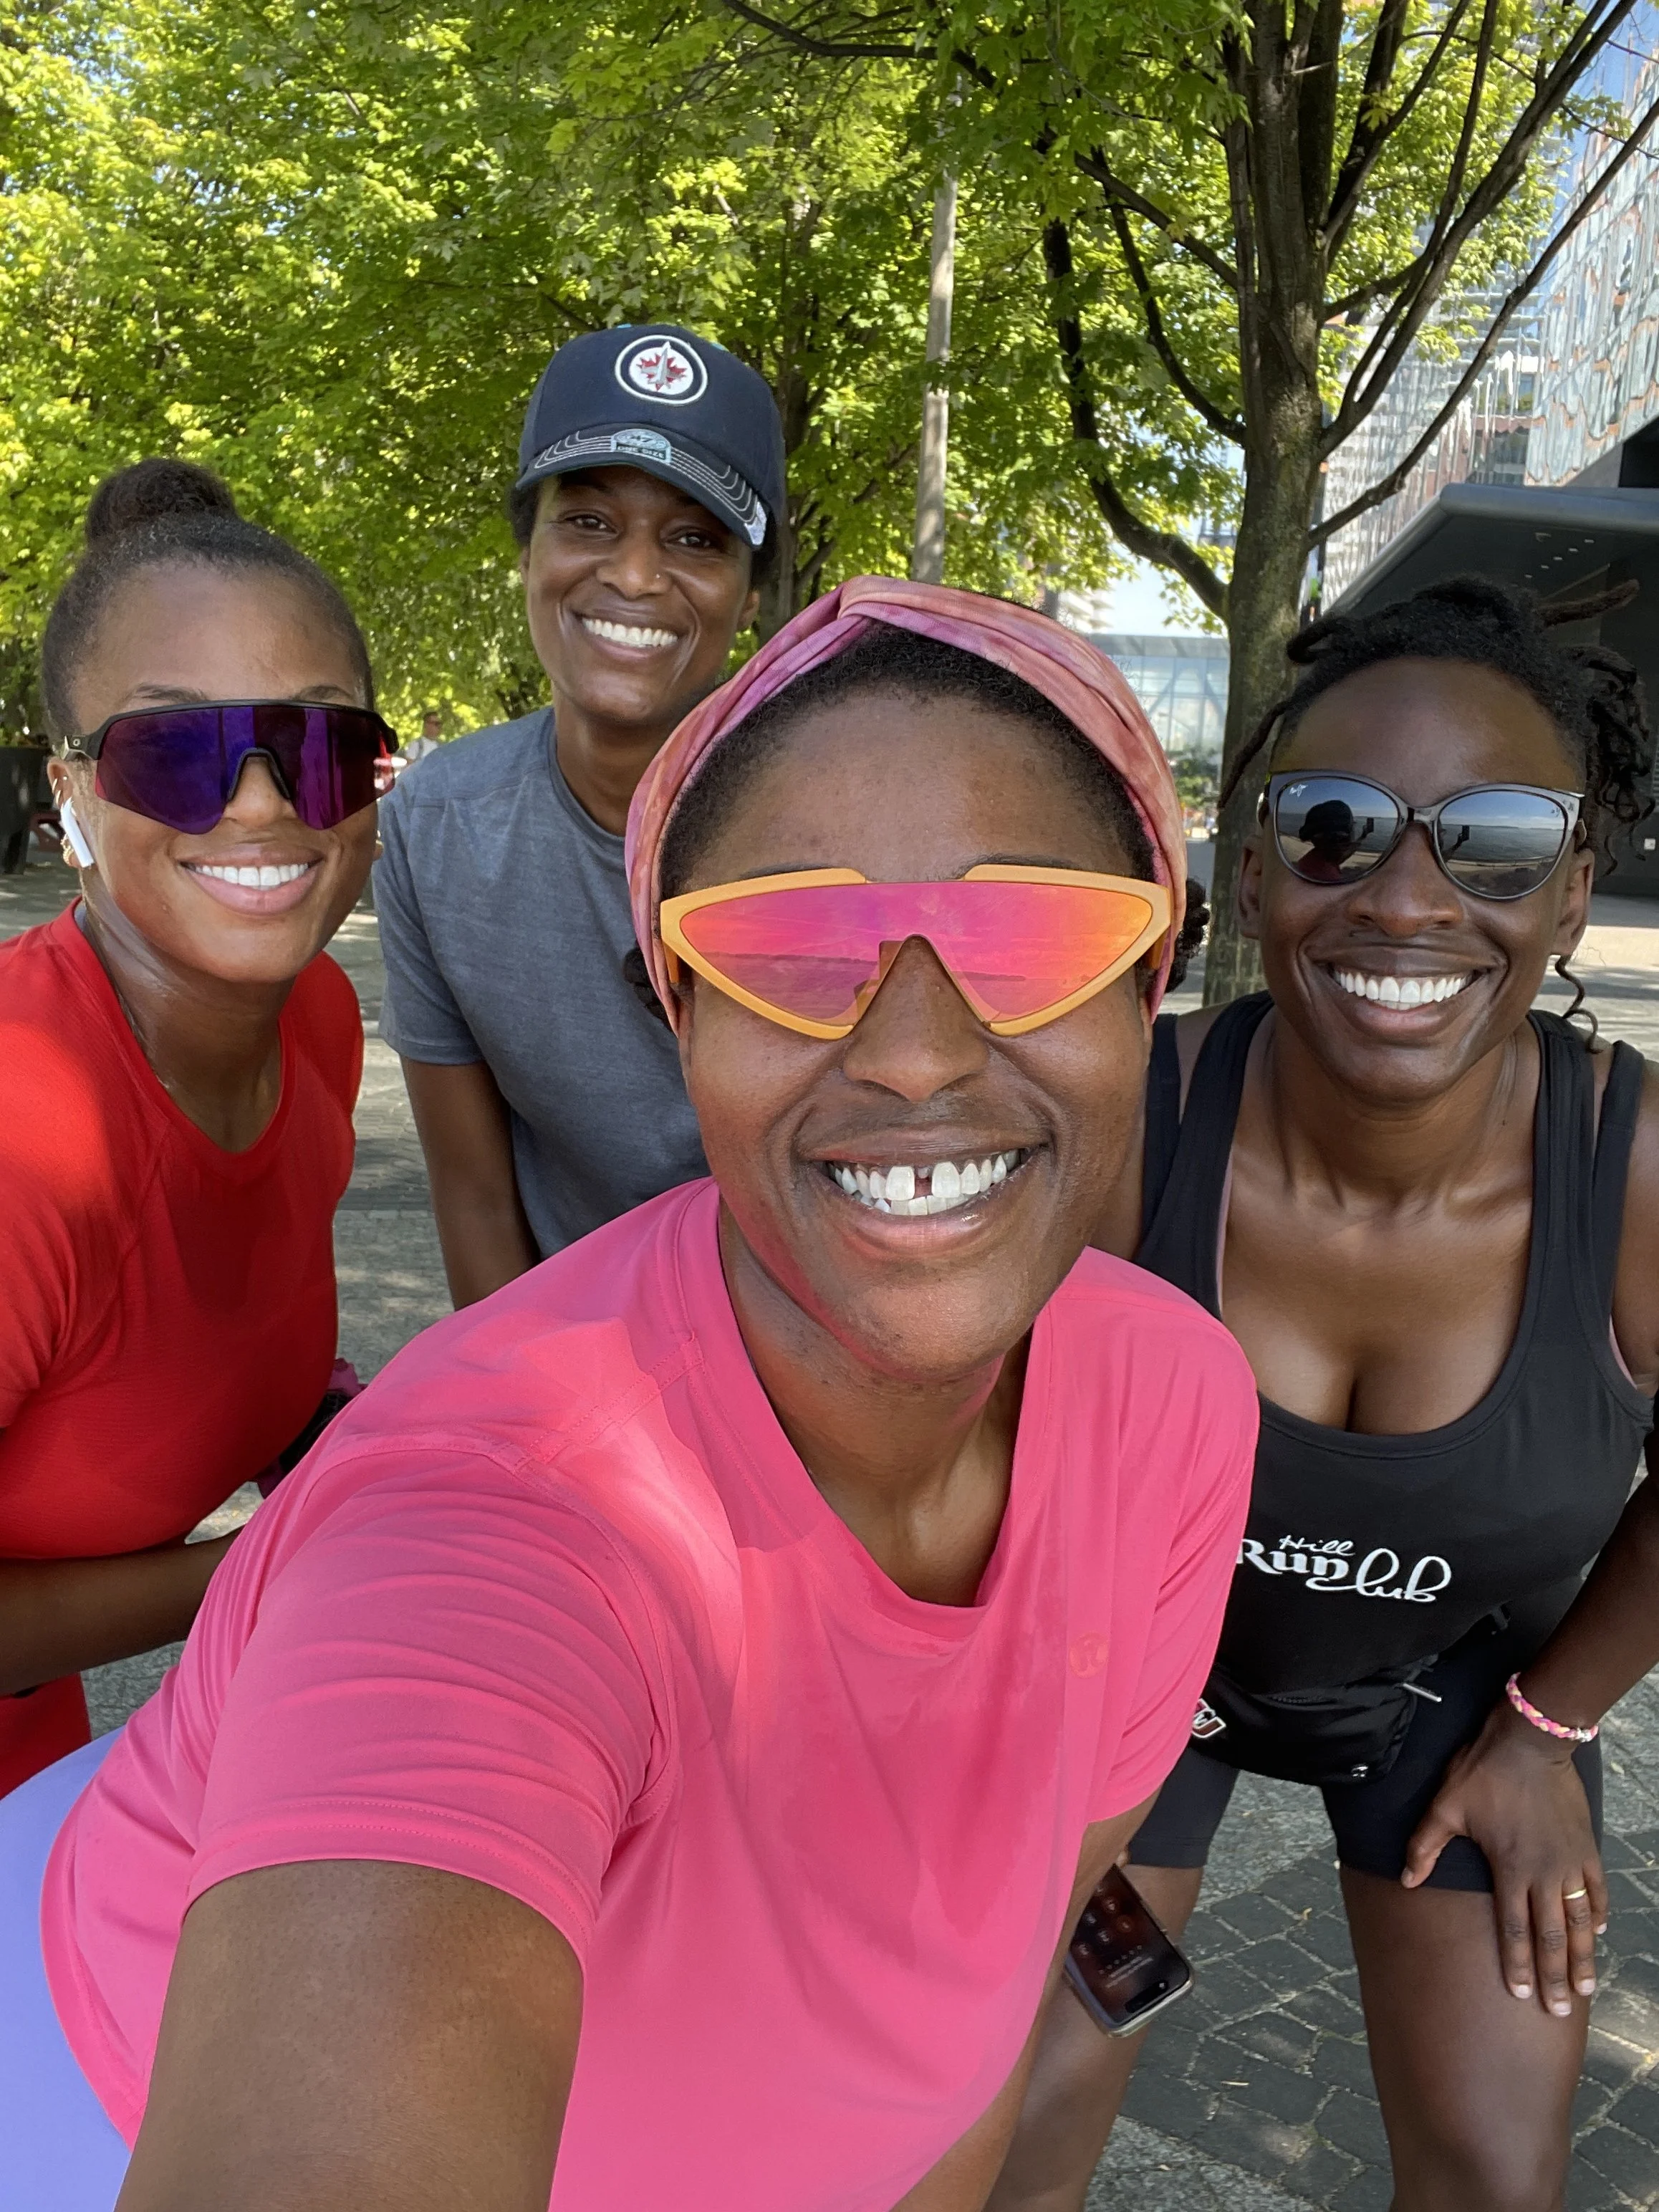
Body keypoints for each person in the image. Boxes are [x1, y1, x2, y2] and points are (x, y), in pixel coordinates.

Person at [0, 579, 1254, 2212]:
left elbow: (997, 1976)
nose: (918, 1050)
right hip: (99, 2082)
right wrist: (295, 1548)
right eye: (789, 946)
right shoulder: (511, 1515)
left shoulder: (1173, 1405)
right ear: (678, 1010)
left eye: (1033, 931)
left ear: (1151, 976)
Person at [989, 578, 1659, 2212]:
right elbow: (945, 1420)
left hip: (1455, 1693)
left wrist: (1552, 1724)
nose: (1406, 901)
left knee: (1497, 2171)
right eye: (1337, 827)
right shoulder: (1128, 1121)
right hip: (1145, 1679)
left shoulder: (1634, 1175)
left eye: (1492, 840)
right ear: (1256, 866)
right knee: (1013, 2121)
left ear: (1573, 890)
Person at [0, 457, 390, 1797]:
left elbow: (222, 1337)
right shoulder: (24, 1127)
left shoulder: (318, 1020)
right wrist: (282, 1566)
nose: (267, 803)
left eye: (323, 742)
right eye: (175, 753)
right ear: (72, 797)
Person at [375, 323, 787, 1303]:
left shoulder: (839, 828)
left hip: (824, 1366)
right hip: (571, 1359)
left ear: (751, 595)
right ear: (530, 554)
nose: (635, 576)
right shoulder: (437, 827)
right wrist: (524, 1433)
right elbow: (475, 1203)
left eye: (693, 538)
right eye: (590, 523)